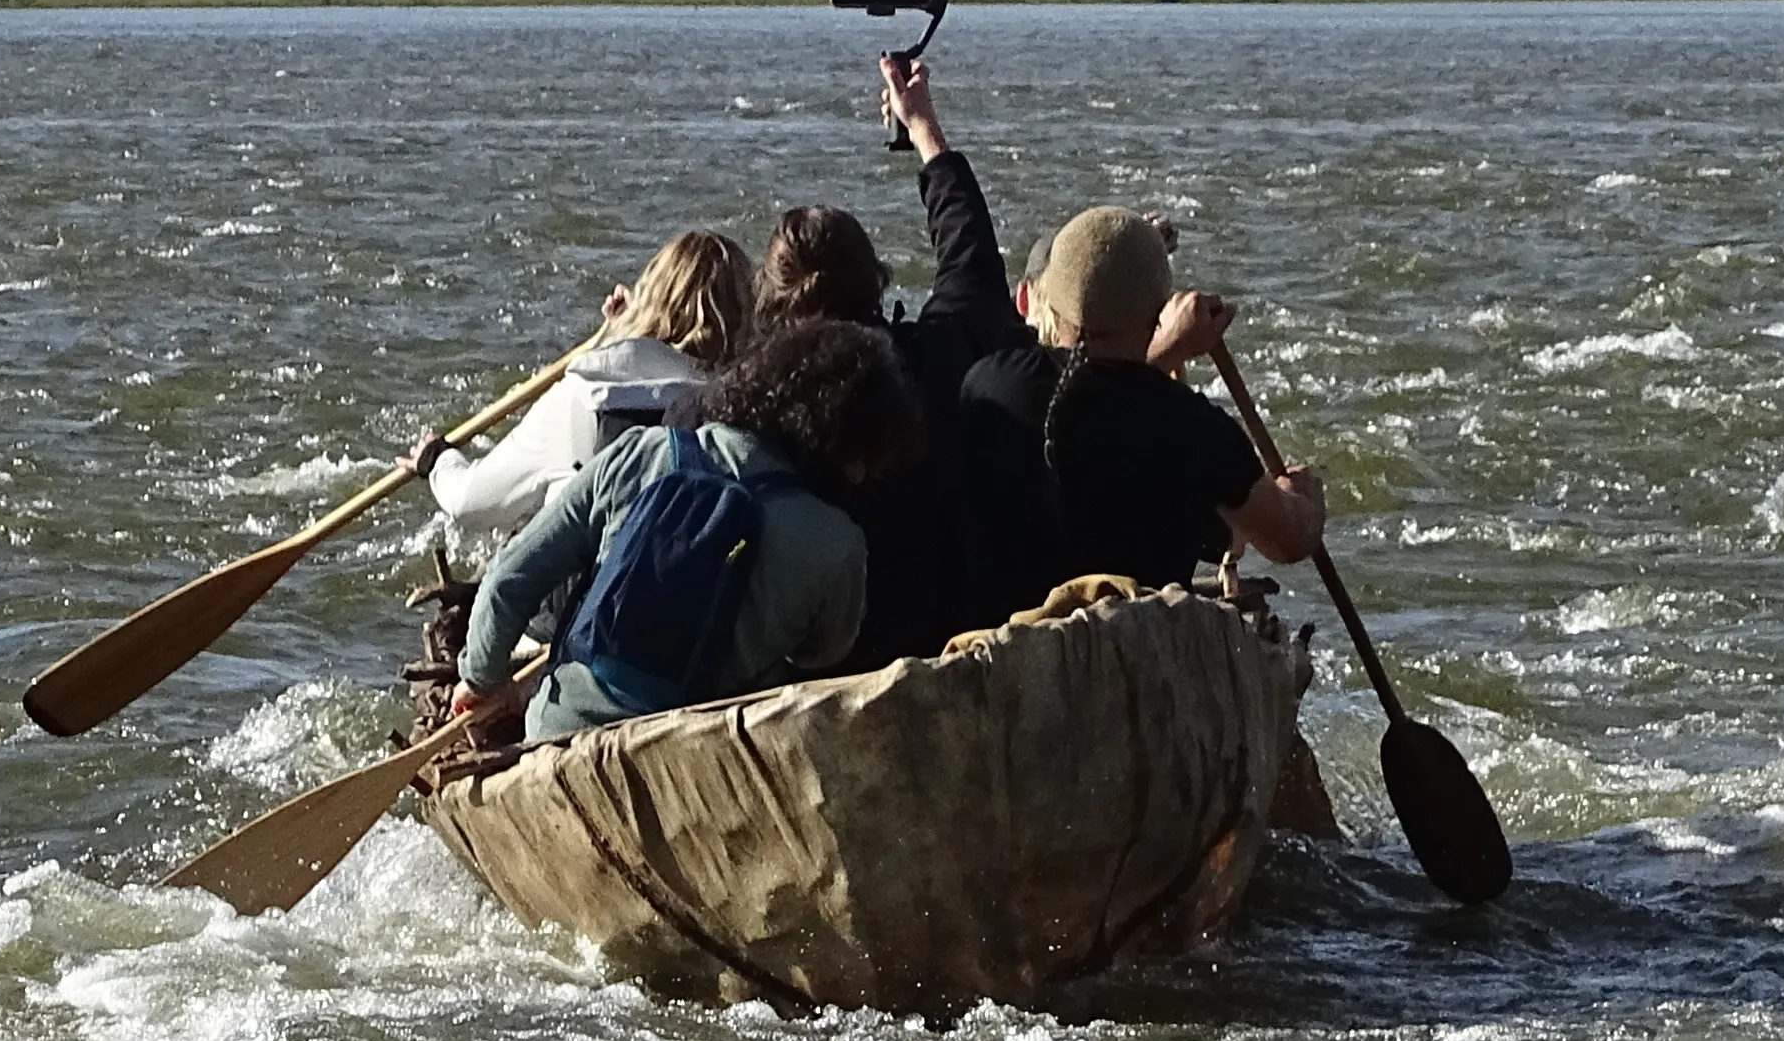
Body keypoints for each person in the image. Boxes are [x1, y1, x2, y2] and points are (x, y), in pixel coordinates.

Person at [452, 313, 920, 740]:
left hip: (562, 734)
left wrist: (482, 681)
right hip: (700, 759)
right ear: (852, 447)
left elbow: (508, 582)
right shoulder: (836, 545)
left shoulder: (640, 452)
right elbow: (819, 661)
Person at [759, 54, 1027, 663]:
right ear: (875, 282)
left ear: (772, 308)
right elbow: (972, 263)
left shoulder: (752, 410)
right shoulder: (934, 358)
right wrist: (925, 130)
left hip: (810, 677)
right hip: (943, 651)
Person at [958, 204, 1325, 606]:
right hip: (1131, 658)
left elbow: (1093, 399)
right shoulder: (1190, 425)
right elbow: (1289, 541)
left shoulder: (990, 382)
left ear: (1050, 298)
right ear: (1158, 314)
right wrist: (1301, 495)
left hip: (1010, 654)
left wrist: (1165, 352)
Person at [420, 231, 755, 555]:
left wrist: (438, 460)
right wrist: (616, 337)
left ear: (650, 299)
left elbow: (471, 504)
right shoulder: (749, 410)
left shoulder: (585, 396)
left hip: (594, 604)